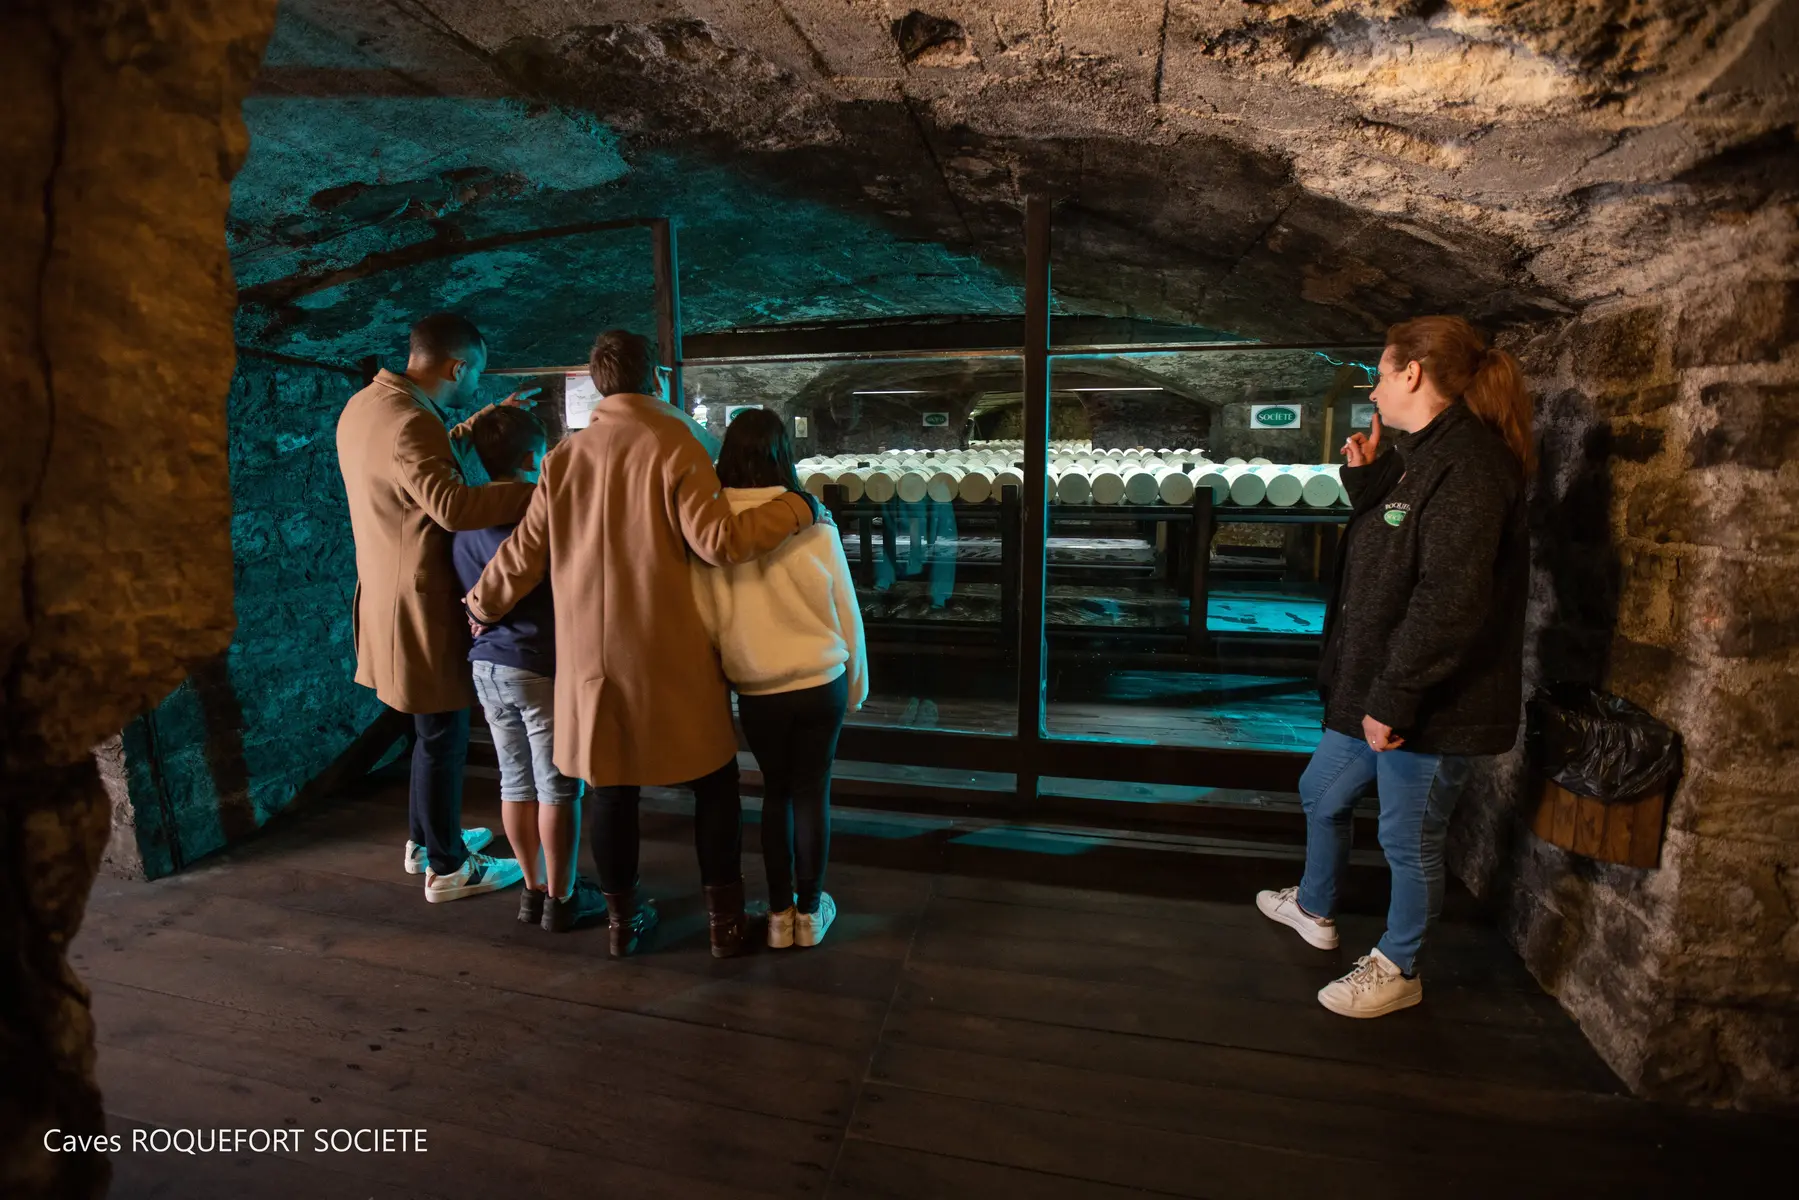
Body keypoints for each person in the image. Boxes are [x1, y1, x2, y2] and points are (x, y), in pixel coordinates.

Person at [465, 329, 817, 959]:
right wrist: (797, 510)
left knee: (610, 787)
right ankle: (725, 925)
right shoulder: (675, 442)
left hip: (592, 662)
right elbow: (719, 542)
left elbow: (524, 553)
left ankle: (622, 927)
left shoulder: (566, 457)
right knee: (713, 784)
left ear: (599, 384)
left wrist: (479, 604)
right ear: (655, 379)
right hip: (669, 653)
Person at [1256, 315, 1532, 1018]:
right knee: (1321, 789)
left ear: (1411, 372)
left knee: (1407, 838)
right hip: (1377, 683)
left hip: (1424, 700)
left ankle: (1398, 966)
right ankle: (1314, 907)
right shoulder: (1421, 455)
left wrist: (1396, 696)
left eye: (1379, 374)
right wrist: (1368, 477)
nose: (1373, 391)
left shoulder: (1470, 465)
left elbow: (1448, 598)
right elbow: (1391, 542)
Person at [336, 313, 538, 902]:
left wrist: (473, 425)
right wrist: (546, 489)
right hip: (419, 605)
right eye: (475, 375)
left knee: (427, 731)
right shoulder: (409, 425)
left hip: (383, 594)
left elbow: (413, 468)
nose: (476, 383)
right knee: (443, 734)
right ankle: (449, 868)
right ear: (458, 367)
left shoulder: (368, 406)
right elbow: (448, 504)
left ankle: (425, 840)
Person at [691, 409, 868, 950]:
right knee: (813, 792)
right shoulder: (809, 517)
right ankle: (810, 914)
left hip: (759, 685)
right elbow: (846, 607)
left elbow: (707, 620)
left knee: (776, 795)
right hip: (820, 679)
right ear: (782, 454)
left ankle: (777, 914)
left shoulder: (712, 530)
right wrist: (856, 682)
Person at [450, 406, 606, 932]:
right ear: (531, 457)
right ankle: (562, 898)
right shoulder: (539, 512)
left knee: (513, 782)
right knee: (557, 786)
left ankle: (531, 888)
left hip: (487, 665)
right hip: (539, 664)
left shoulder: (465, 517)